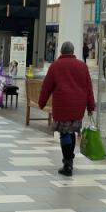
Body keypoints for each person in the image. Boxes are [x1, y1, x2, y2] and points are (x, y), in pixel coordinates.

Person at [38, 41, 95, 177]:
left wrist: (42, 102)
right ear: (73, 51)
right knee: (72, 132)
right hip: (78, 106)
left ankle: (68, 163)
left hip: (62, 105)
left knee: (65, 134)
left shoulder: (55, 66)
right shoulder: (82, 66)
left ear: (61, 51)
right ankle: (70, 161)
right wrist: (90, 106)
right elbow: (89, 88)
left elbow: (47, 86)